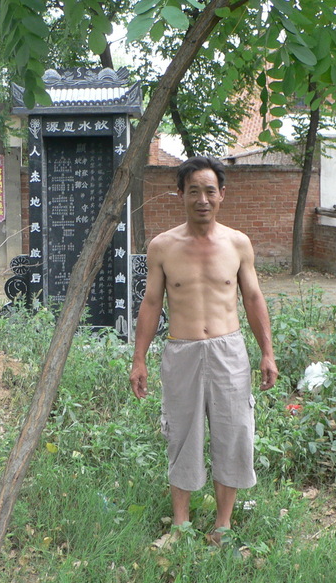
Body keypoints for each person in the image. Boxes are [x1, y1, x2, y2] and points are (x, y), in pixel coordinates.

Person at [129, 155, 278, 546]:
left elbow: (252, 296)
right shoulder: (162, 246)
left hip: (229, 351)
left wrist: (267, 352)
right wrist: (139, 359)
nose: (202, 199)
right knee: (183, 434)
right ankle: (180, 524)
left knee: (233, 433)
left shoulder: (237, 243)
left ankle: (223, 526)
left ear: (222, 195)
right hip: (182, 351)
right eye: (193, 190)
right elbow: (150, 303)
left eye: (210, 190)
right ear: (180, 194)